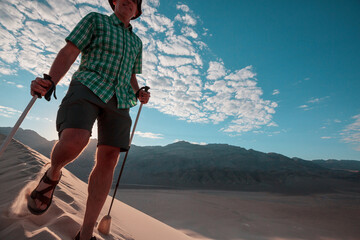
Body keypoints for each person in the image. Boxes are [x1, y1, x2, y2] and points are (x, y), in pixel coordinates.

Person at [27, 0, 150, 239]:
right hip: (88, 84)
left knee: (109, 158)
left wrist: (138, 92)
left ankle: (86, 233)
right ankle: (53, 173)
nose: (128, 0)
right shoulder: (96, 20)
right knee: (75, 140)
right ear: (114, 2)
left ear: (137, 11)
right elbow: (70, 51)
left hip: (120, 99)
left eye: (135, 0)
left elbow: (131, 74)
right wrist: (51, 80)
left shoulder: (137, 42)